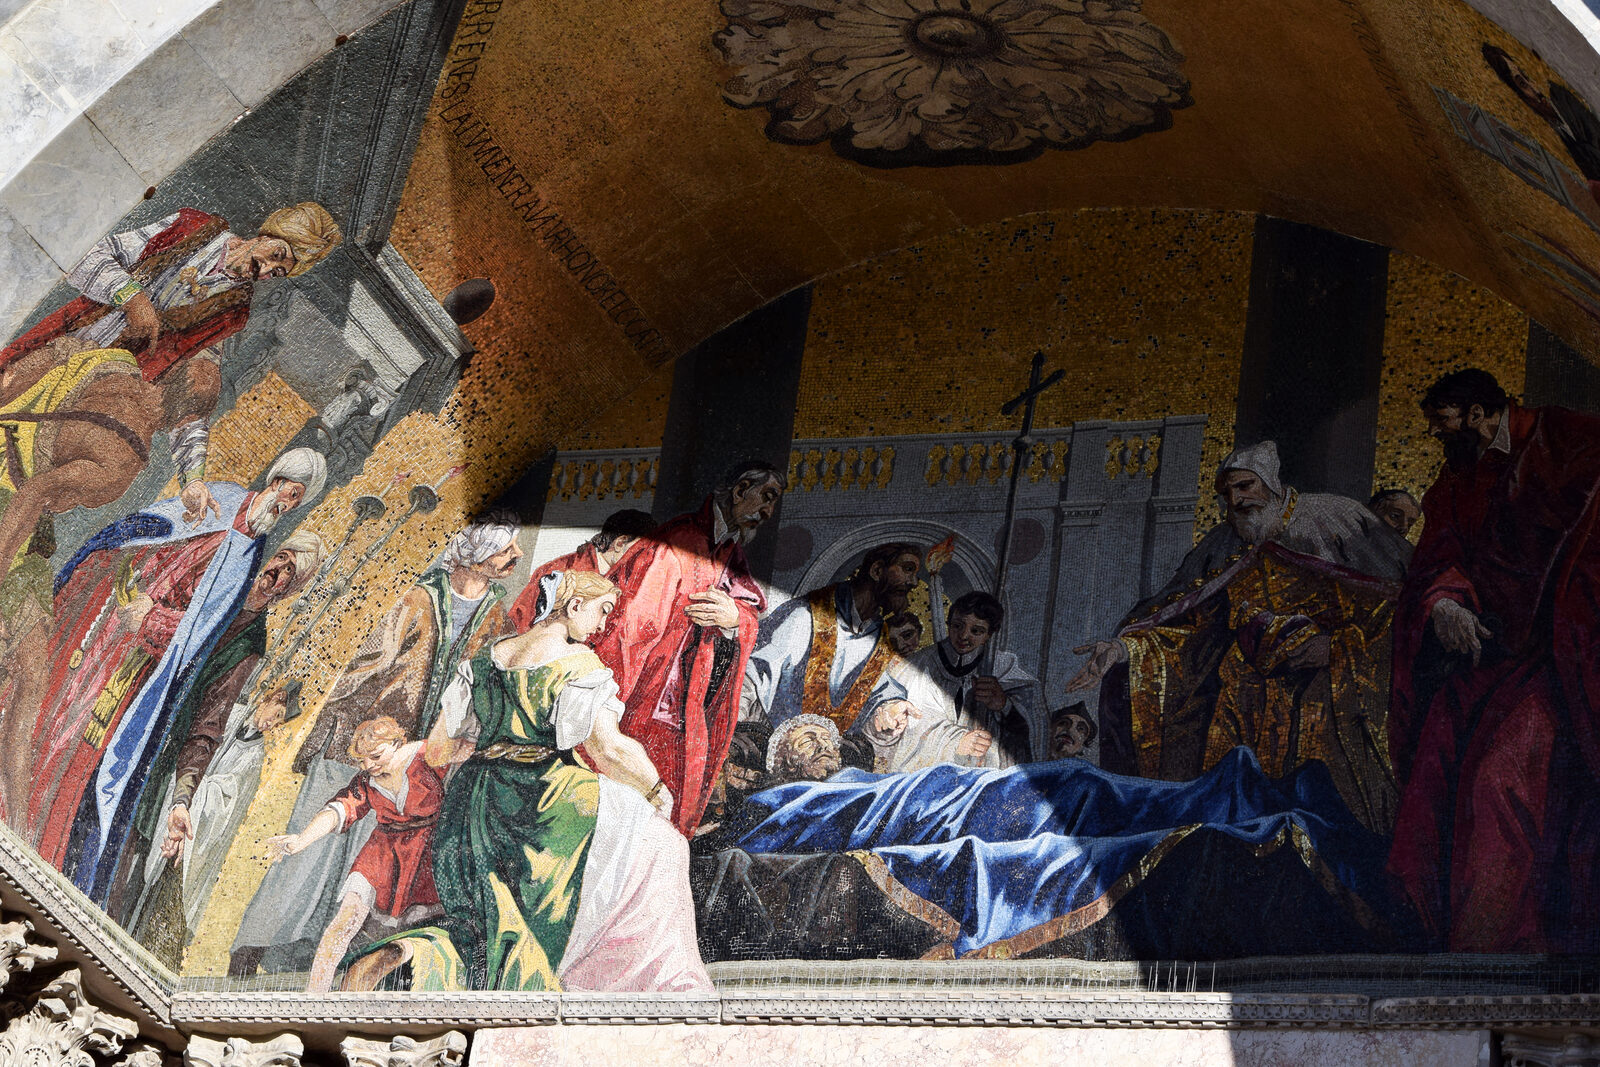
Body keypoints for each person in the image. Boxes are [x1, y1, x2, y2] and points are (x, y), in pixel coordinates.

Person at [341, 569, 710, 993]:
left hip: (471, 807)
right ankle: (626, 981)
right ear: (572, 606)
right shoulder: (579, 664)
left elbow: (439, 751)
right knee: (663, 845)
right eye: (601, 611)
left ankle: (407, 955)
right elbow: (610, 749)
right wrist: (655, 790)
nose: (604, 623)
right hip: (545, 800)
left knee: (482, 925)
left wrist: (489, 747)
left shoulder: (480, 664)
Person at [19, 447, 326, 890]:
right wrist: (139, 588)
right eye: (286, 491)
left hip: (144, 673)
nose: (283, 503)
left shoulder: (247, 563)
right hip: (114, 630)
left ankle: (38, 847)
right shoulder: (220, 500)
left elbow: (199, 638)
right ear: (274, 481)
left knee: (84, 760)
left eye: (295, 500)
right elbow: (154, 535)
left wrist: (152, 619)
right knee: (51, 717)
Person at [1069, 440, 1413, 832]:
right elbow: (1188, 629)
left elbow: (1398, 607)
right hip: (1242, 712)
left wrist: (1337, 648)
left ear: (1272, 483)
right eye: (1227, 492)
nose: (1236, 499)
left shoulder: (1336, 519)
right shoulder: (1222, 544)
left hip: (1327, 703)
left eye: (1246, 486)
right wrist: (1124, 648)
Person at [228, 514, 518, 977]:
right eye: (506, 549)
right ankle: (250, 948)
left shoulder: (496, 617)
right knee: (310, 853)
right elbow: (363, 664)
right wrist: (305, 709)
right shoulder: (418, 599)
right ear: (478, 554)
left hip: (418, 768)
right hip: (356, 746)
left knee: (364, 872)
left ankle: (311, 961)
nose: (516, 558)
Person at [0, 204, 341, 587]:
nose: (263, 272)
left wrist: (192, 478)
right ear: (264, 235)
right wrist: (131, 297)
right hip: (78, 340)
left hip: (117, 380)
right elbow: (88, 257)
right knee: (11, 383)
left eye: (277, 272)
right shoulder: (194, 228)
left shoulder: (233, 311)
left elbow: (193, 395)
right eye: (274, 256)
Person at [1388, 369, 1600, 953]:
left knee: (1500, 776)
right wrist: (1443, 604)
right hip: (1498, 653)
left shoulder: (1570, 438)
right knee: (1434, 753)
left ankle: (1498, 951)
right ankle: (1440, 945)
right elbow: (1441, 553)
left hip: (1568, 655)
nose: (1437, 435)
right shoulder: (1459, 480)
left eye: (1444, 422)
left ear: (1480, 411)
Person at [111, 532, 324, 950]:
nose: (275, 573)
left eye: (287, 575)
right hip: (126, 702)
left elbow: (208, 723)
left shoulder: (249, 645)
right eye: (279, 559)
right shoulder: (220, 583)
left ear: (287, 591)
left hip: (160, 749)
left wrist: (183, 796)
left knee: (125, 854)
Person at [591, 459, 783, 837]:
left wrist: (735, 619)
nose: (768, 512)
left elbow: (749, 608)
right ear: (742, 490)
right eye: (767, 496)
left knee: (667, 825)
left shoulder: (727, 548)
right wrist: (606, 713)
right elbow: (633, 632)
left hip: (684, 713)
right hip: (644, 710)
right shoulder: (678, 543)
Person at [265, 717, 448, 993]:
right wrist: (301, 840)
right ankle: (314, 997)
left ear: (398, 744)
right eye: (363, 761)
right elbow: (340, 809)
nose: (370, 766)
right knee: (345, 919)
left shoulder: (427, 755)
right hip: (381, 852)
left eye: (376, 756)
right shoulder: (366, 780)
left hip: (427, 851)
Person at [740, 541, 923, 736]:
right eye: (907, 569)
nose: (913, 582)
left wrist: (890, 707)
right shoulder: (806, 616)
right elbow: (752, 674)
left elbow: (878, 689)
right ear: (877, 570)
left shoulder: (875, 634)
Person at [872, 591, 1036, 771]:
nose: (964, 636)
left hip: (983, 772)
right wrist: (956, 742)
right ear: (948, 623)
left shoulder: (1004, 667)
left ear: (990, 633)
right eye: (958, 626)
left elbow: (1035, 725)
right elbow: (918, 721)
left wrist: (1004, 705)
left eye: (976, 631)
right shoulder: (918, 666)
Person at [509, 508, 655, 629]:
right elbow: (521, 620)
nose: (645, 561)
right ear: (620, 543)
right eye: (641, 553)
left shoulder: (628, 583)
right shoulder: (560, 569)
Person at [1482, 43, 1600, 183]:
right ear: (1518, 92)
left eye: (1526, 78)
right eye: (1523, 84)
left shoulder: (1561, 97)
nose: (1534, 89)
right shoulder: (1536, 124)